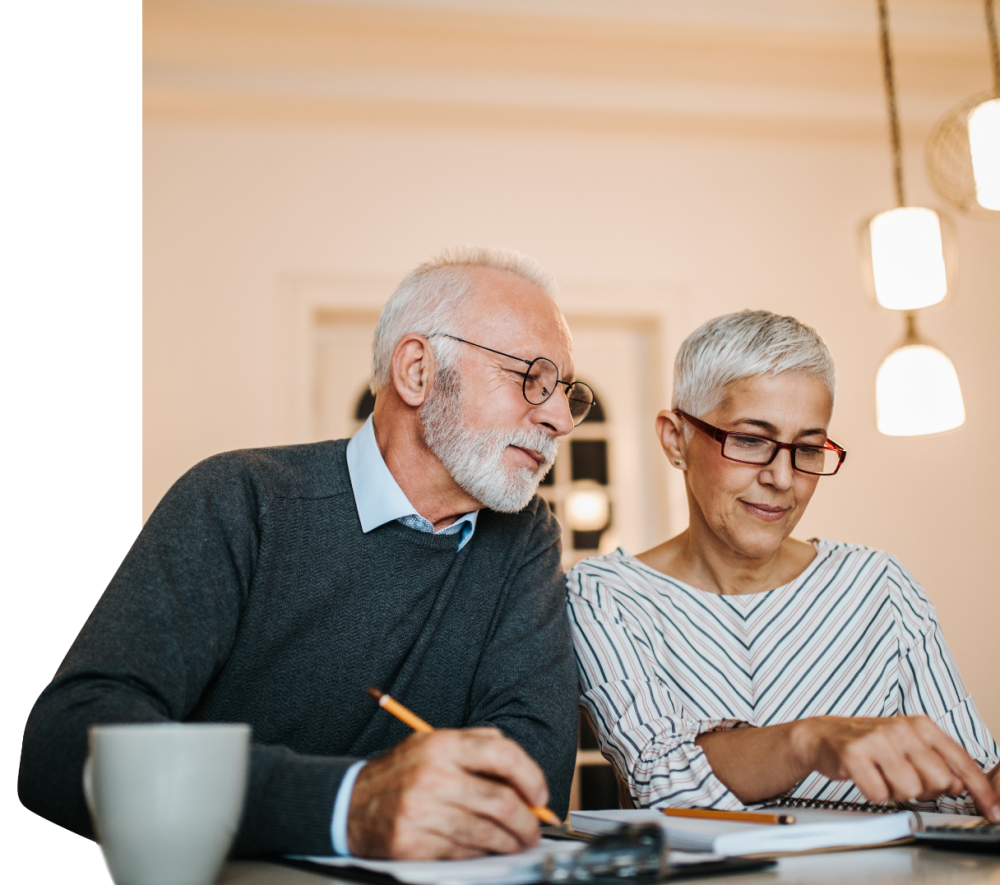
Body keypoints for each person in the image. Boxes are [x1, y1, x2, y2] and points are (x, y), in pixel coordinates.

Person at [20, 247, 592, 859]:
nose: (559, 416)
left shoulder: (524, 535)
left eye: (565, 391)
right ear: (418, 372)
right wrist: (346, 804)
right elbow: (64, 746)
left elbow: (532, 783)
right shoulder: (242, 499)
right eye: (531, 376)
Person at [567, 310, 1000, 819]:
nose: (782, 478)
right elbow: (663, 781)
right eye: (751, 440)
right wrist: (808, 740)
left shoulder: (879, 586)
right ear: (674, 439)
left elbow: (969, 788)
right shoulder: (604, 595)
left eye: (808, 449)